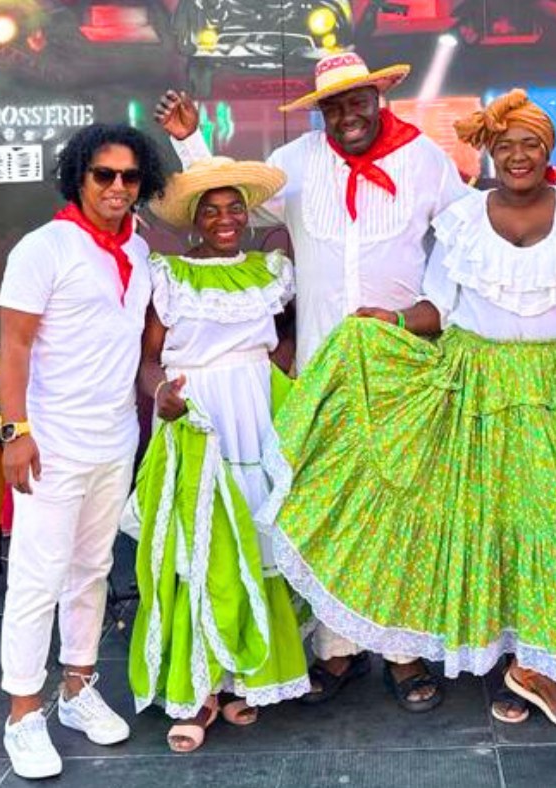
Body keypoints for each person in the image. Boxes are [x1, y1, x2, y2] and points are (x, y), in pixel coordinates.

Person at [255, 89, 556, 731]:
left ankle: (537, 664)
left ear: (548, 152)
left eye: (531, 145)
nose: (518, 157)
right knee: (489, 528)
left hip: (555, 388)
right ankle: (509, 663)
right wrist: (393, 319)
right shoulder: (463, 219)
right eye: (505, 146)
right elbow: (441, 309)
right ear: (487, 153)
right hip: (474, 386)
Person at [155, 51, 470, 711]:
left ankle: (402, 650)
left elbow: (464, 240)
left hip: (399, 369)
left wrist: (428, 313)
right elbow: (232, 207)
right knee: (324, 509)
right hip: (318, 378)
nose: (347, 116)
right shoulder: (298, 162)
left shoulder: (424, 160)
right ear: (321, 112)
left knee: (398, 510)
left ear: (380, 98)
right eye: (333, 106)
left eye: (357, 102)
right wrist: (190, 141)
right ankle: (336, 648)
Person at [123, 156, 310, 752]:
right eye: (212, 211)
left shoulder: (269, 270)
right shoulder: (169, 276)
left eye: (234, 209)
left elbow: (287, 331)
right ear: (194, 221)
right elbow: (148, 359)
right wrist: (162, 396)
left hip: (257, 412)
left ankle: (244, 680)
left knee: (253, 543)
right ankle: (200, 687)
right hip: (196, 410)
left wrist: (274, 369)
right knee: (200, 548)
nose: (225, 219)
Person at [0, 124, 165, 779]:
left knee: (92, 570)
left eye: (129, 177)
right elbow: (13, 348)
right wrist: (16, 432)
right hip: (50, 442)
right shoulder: (44, 248)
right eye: (104, 175)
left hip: (115, 436)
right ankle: (23, 714)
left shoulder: (142, 252)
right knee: (37, 580)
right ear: (79, 178)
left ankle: (77, 689)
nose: (118, 187)